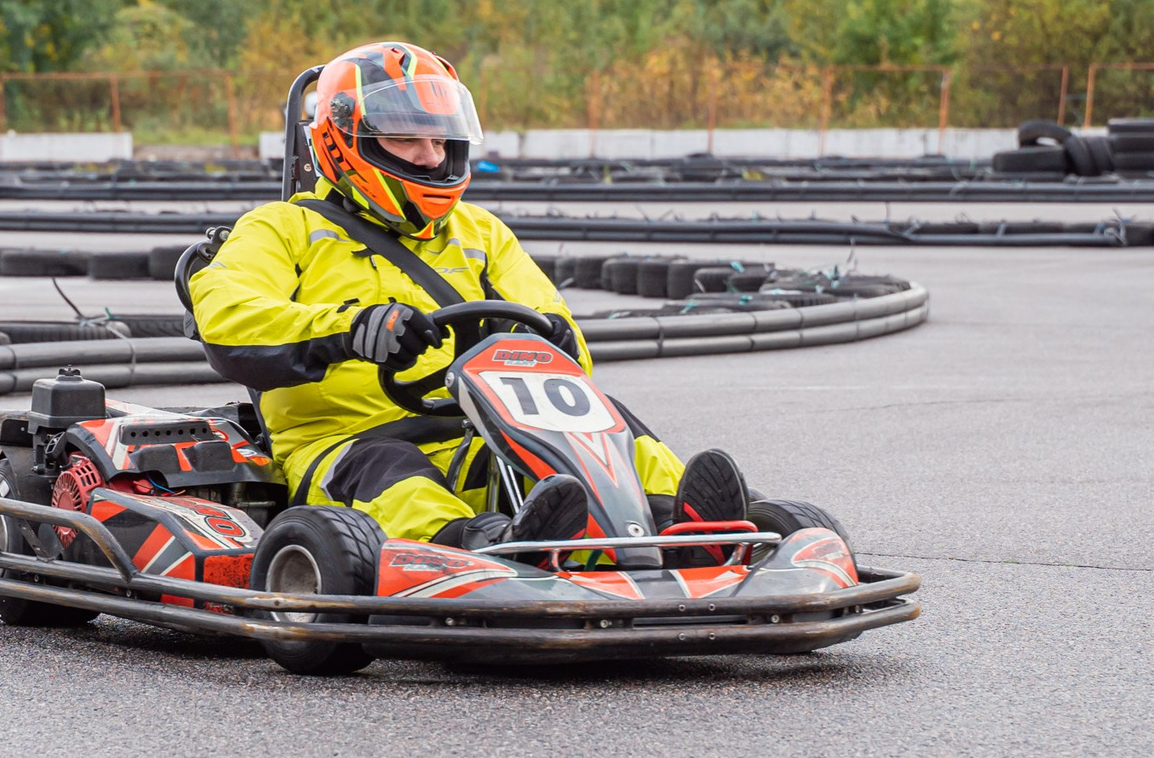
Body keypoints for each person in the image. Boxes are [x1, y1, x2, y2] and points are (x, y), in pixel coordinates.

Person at [188, 40, 750, 552]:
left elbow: (557, 329)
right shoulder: (281, 228)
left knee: (607, 426)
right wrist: (351, 331)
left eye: (440, 140)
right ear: (345, 141)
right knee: (392, 470)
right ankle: (482, 545)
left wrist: (544, 336)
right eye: (406, 138)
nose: (431, 157)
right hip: (343, 445)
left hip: (478, 436)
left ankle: (678, 523)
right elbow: (230, 318)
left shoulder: (480, 233)